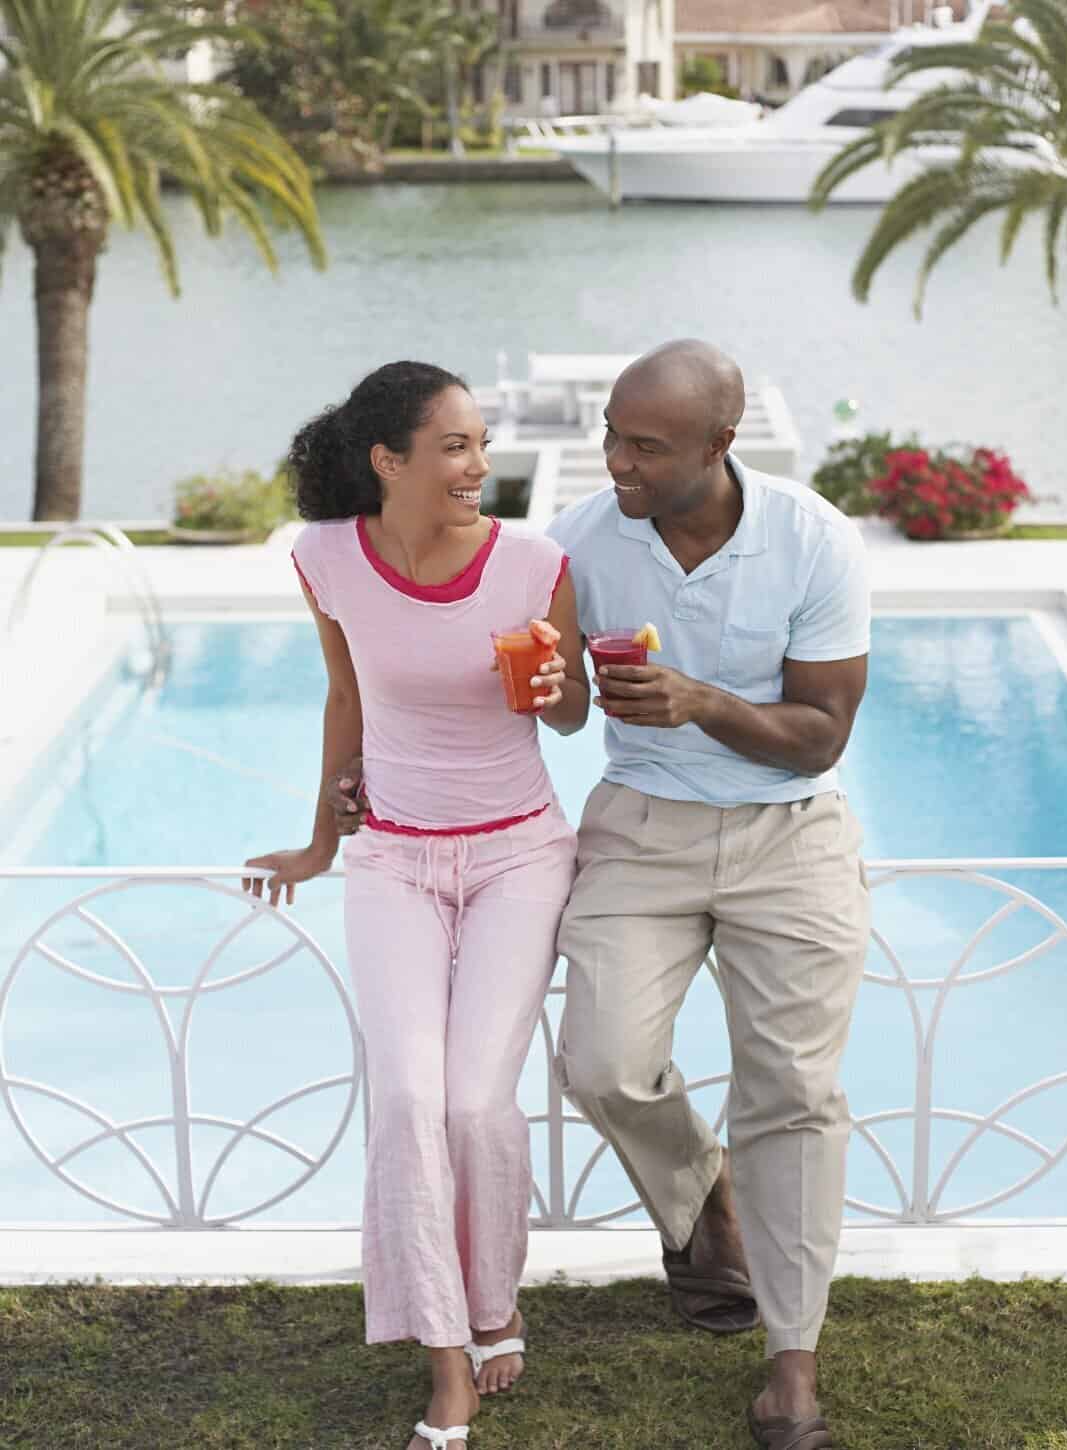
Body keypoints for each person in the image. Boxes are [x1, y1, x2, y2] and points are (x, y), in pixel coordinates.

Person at [330, 340, 872, 1450]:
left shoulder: (816, 541)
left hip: (789, 832)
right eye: (612, 437)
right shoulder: (575, 540)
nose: (616, 460)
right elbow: (564, 709)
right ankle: (705, 1200)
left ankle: (792, 1359)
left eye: (645, 445)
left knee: (792, 1093)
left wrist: (700, 703)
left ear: (720, 446)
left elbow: (820, 736)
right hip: (640, 825)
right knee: (602, 1062)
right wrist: (542, 693)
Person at [244, 361, 590, 1450]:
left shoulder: (535, 564)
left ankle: (496, 1301)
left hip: (517, 857)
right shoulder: (323, 558)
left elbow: (572, 710)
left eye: (481, 444)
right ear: (387, 460)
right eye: (454, 446)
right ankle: (447, 1356)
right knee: (405, 1102)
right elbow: (345, 693)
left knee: (477, 1106)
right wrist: (317, 839)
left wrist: (553, 688)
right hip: (392, 860)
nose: (479, 465)